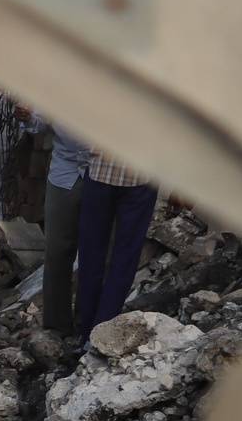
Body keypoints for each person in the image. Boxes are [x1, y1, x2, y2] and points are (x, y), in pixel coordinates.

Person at [75, 150, 156, 342]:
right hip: (138, 177)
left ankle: (87, 332)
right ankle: (99, 333)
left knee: (91, 256)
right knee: (123, 259)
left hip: (103, 172)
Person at [23, 110, 88, 335]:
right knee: (58, 251)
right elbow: (38, 121)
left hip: (102, 175)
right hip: (65, 172)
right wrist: (26, 115)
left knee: (96, 254)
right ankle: (57, 325)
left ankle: (88, 324)